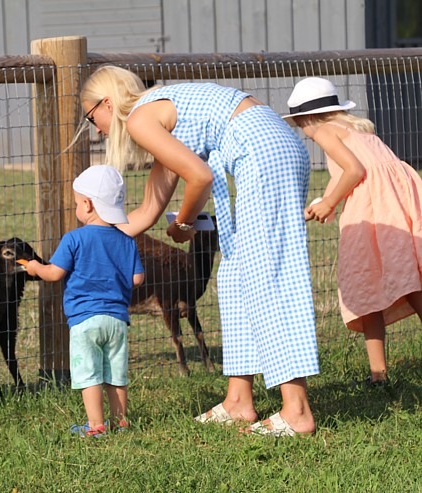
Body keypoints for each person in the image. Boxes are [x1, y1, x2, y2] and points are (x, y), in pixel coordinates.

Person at [76, 65, 319, 436]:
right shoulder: (157, 117)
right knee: (236, 276)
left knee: (265, 275)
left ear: (107, 103)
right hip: (268, 146)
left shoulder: (142, 117)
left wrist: (185, 223)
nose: (95, 128)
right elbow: (145, 212)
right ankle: (239, 401)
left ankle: (297, 410)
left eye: (91, 116)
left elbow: (200, 177)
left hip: (263, 152)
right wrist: (100, 237)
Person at [284, 77, 422, 386]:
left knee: (391, 283)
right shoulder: (359, 130)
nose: (305, 134)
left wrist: (331, 200)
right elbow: (356, 171)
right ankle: (377, 376)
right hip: (396, 206)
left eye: (300, 125)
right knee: (382, 281)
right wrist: (325, 203)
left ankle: (379, 374)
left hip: (375, 214)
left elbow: (355, 171)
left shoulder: (322, 130)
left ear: (307, 118)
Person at [24, 164, 145, 437]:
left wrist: (35, 268)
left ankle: (96, 426)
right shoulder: (126, 240)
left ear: (88, 205)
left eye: (78, 203)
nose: (77, 208)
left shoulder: (74, 239)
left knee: (89, 374)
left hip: (84, 320)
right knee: (115, 373)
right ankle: (120, 423)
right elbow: (137, 279)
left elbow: (54, 274)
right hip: (117, 320)